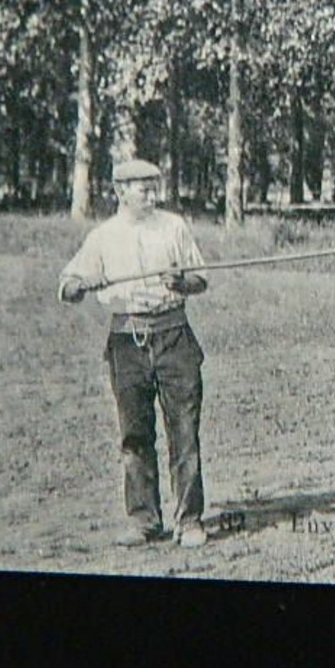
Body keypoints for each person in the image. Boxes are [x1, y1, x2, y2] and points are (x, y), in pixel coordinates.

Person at [59, 159, 210, 548]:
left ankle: (189, 520)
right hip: (127, 342)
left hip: (174, 336)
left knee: (184, 431)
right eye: (141, 187)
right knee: (135, 435)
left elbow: (200, 279)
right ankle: (144, 520)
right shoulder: (103, 237)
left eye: (153, 185)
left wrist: (181, 281)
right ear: (119, 191)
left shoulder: (174, 227)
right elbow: (68, 287)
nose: (150, 193)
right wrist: (83, 284)